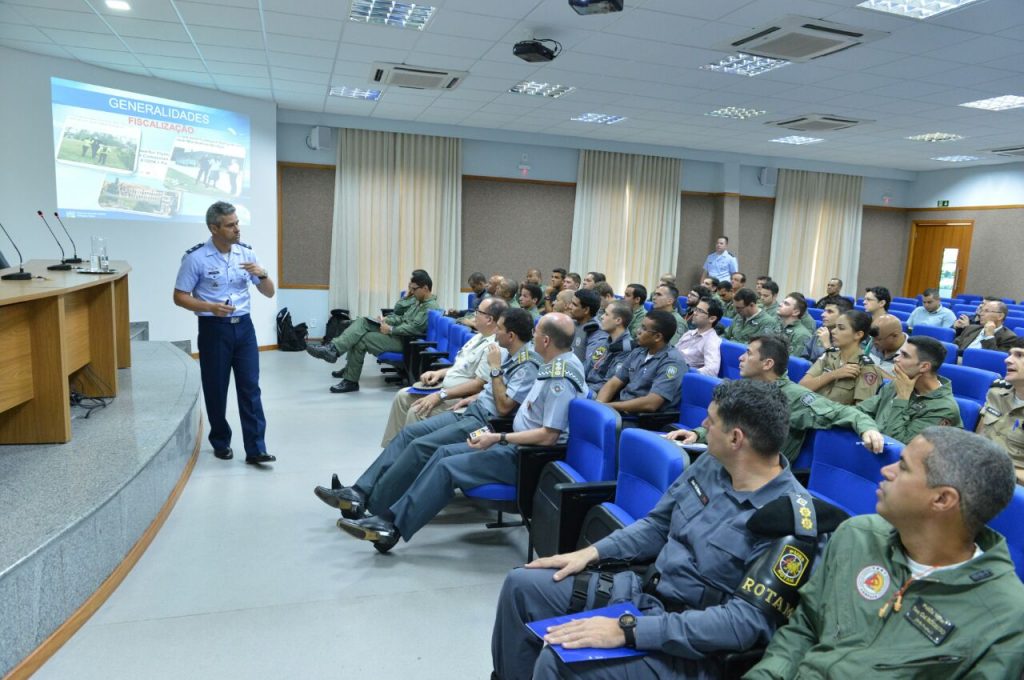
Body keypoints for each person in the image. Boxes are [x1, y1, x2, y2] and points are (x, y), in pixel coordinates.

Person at [491, 379, 809, 680]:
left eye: (711, 421)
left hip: (692, 644)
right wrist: (590, 553)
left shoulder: (790, 522)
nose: (703, 425)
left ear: (736, 439)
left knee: (558, 660)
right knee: (522, 586)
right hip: (646, 594)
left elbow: (743, 623)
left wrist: (629, 631)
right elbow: (657, 526)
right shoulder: (713, 464)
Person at [746, 428, 1024, 679]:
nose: (886, 471)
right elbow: (805, 626)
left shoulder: (1005, 620)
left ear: (942, 499)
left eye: (903, 467)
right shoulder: (858, 535)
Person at [335, 313, 586, 552]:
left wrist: (498, 437)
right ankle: (384, 516)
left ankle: (391, 526)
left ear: (546, 340)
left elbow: (549, 436)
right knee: (441, 452)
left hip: (524, 455)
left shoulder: (559, 377)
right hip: (509, 440)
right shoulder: (555, 363)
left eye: (536, 333)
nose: (532, 336)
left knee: (446, 466)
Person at [314, 308, 542, 521]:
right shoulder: (505, 351)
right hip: (473, 408)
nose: (495, 332)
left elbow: (504, 407)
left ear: (511, 335)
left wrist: (493, 369)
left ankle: (372, 507)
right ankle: (358, 491)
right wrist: (475, 396)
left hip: (487, 422)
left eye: (499, 328)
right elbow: (492, 389)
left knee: (419, 445)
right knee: (408, 434)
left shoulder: (518, 360)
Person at [172, 201, 276, 465]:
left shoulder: (246, 253)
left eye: (237, 223)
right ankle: (220, 440)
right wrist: (209, 307)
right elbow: (179, 296)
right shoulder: (196, 258)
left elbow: (269, 292)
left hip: (244, 328)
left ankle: (256, 448)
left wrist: (263, 275)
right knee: (216, 389)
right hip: (214, 329)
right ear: (214, 228)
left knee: (250, 387)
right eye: (230, 225)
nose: (237, 229)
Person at [669, 336, 883, 462]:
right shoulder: (745, 387)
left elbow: (845, 412)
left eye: (748, 354)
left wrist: (868, 429)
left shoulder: (794, 396)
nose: (740, 358)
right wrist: (697, 434)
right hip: (729, 459)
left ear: (767, 364)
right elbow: (728, 424)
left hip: (759, 473)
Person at [378, 298, 506, 447]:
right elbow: (461, 367)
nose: (474, 315)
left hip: (460, 397)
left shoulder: (494, 347)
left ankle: (408, 454)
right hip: (446, 389)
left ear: (489, 319)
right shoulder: (478, 337)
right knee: (402, 397)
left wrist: (441, 395)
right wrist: (439, 373)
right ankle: (392, 449)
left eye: (478, 312)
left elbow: (478, 384)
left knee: (418, 410)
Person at [305, 270, 439, 393]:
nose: (412, 291)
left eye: (414, 289)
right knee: (363, 321)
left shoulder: (430, 306)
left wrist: (391, 329)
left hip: (407, 342)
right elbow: (402, 318)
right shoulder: (419, 302)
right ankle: (334, 350)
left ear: (425, 288)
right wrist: (387, 320)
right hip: (399, 335)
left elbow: (414, 328)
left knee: (362, 338)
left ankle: (346, 373)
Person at [856, 336, 962, 443]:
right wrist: (868, 429)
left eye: (904, 355)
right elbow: (857, 412)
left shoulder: (943, 409)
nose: (896, 359)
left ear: (924, 367)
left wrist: (902, 398)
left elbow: (896, 444)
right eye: (899, 354)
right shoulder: (898, 384)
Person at [596, 311, 685, 417]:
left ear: (657, 337)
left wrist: (609, 406)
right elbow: (614, 382)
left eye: (643, 328)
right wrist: (599, 405)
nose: (638, 331)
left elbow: (652, 403)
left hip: (641, 419)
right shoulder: (639, 351)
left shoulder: (672, 362)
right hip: (620, 409)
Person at [800, 310, 885, 405]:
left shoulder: (866, 368)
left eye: (841, 328)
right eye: (835, 327)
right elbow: (802, 386)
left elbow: (861, 411)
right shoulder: (830, 355)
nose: (833, 331)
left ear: (858, 335)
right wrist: (833, 374)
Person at [977, 345, 1024, 484]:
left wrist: (998, 471)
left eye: (1019, 355)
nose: (1007, 360)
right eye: (1010, 354)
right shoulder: (997, 388)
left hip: (1012, 484)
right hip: (976, 468)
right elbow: (980, 434)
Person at [586, 300, 634, 392]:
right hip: (586, 386)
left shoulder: (626, 348)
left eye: (606, 314)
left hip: (597, 393)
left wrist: (584, 391)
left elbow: (609, 384)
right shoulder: (606, 340)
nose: (602, 317)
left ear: (618, 320)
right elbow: (588, 366)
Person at [674, 297, 723, 377]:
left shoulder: (711, 341)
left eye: (700, 311)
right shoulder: (689, 333)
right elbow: (674, 351)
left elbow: (711, 370)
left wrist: (688, 372)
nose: (694, 313)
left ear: (712, 319)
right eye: (696, 309)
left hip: (681, 376)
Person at [953, 299, 1019, 354]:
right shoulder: (971, 328)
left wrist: (989, 336)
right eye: (982, 311)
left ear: (1000, 316)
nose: (981, 314)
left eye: (986, 311)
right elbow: (954, 347)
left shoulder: (1009, 338)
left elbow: (995, 359)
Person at [568, 289, 609, 376]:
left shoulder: (597, 332)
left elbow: (590, 366)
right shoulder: (571, 323)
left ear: (586, 310)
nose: (569, 306)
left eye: (574, 305)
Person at [777, 293, 812, 359]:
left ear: (796, 312)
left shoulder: (802, 335)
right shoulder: (778, 326)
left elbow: (792, 361)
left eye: (786, 304)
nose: (780, 304)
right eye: (782, 302)